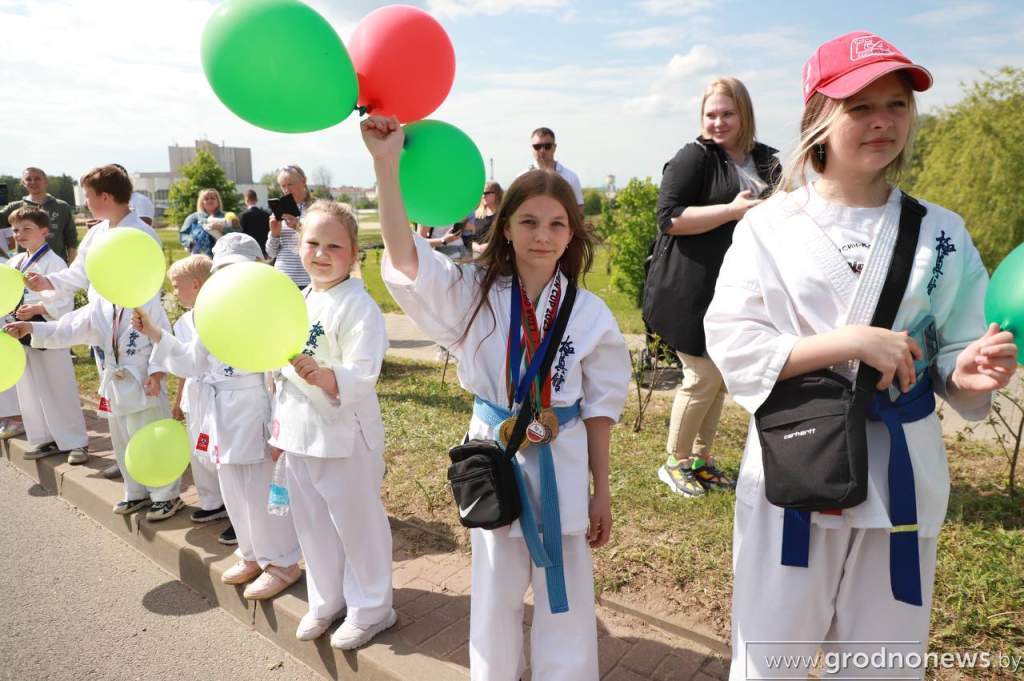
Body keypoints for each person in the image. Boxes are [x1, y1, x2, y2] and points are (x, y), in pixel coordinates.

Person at [704, 32, 1018, 680]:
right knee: (769, 660)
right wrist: (851, 342)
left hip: (901, 475)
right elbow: (734, 342)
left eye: (897, 104)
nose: (883, 121)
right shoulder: (768, 226)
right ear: (819, 116)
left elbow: (956, 345)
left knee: (885, 664)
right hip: (797, 467)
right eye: (860, 106)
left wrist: (966, 372)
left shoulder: (941, 231)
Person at [364, 115, 631, 681]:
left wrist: (602, 490)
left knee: (566, 596)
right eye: (528, 221)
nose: (542, 235)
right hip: (496, 459)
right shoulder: (475, 295)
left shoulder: (591, 314)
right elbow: (408, 262)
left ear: (572, 234)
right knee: (494, 593)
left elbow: (602, 409)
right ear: (504, 227)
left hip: (562, 460)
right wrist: (386, 166)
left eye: (556, 224)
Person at [135, 232, 302, 598]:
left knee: (259, 487)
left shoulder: (267, 313)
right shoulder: (213, 312)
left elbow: (278, 374)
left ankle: (282, 561)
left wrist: (280, 424)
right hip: (220, 410)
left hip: (254, 408)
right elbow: (192, 362)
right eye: (223, 271)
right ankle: (251, 552)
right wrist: (156, 334)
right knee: (233, 487)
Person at [645, 77, 781, 499]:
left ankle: (700, 461)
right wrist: (731, 211)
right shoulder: (694, 157)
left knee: (718, 375)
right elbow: (668, 219)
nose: (718, 122)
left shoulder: (767, 160)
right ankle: (674, 462)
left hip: (735, 288)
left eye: (727, 114)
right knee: (701, 374)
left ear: (744, 114)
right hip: (686, 288)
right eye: (711, 114)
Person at [266, 200, 395, 648]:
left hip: (344, 435)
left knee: (357, 524)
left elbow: (364, 370)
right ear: (298, 246)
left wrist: (327, 376)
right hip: (299, 432)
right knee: (312, 523)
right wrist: (277, 426)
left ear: (354, 253)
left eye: (334, 246)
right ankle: (327, 599)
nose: (321, 254)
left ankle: (373, 607)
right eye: (312, 243)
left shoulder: (359, 305)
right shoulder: (299, 299)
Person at [5, 248, 183, 522]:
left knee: (150, 438)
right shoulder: (101, 304)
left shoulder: (146, 300)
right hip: (114, 381)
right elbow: (68, 327)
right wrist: (32, 329)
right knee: (122, 440)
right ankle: (135, 490)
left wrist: (157, 374)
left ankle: (166, 495)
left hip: (144, 380)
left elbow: (162, 338)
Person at [24, 164, 163, 480]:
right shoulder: (97, 232)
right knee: (115, 402)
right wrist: (48, 282)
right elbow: (79, 273)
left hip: (134, 329)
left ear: (105, 197)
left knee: (143, 406)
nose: (85, 202)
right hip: (102, 323)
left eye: (88, 196)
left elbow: (149, 287)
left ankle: (155, 475)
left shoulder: (141, 234)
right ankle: (128, 466)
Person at [3, 207, 90, 464]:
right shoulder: (14, 262)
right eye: (16, 230)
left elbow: (64, 301)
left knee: (58, 386)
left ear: (44, 231)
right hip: (20, 329)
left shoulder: (55, 262)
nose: (20, 234)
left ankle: (76, 442)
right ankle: (44, 438)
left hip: (49, 330)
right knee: (31, 388)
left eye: (27, 229)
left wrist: (38, 308)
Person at [163, 254, 233, 544]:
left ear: (196, 284)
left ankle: (235, 510)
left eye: (176, 286)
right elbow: (184, 363)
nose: (174, 292)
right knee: (198, 449)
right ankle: (211, 500)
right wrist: (178, 399)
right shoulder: (182, 322)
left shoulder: (220, 315)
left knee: (220, 452)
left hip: (218, 392)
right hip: (195, 393)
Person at [0, 167, 78, 263]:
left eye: (37, 178)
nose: (33, 182)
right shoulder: (15, 207)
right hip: (26, 265)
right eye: (28, 179)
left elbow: (71, 237)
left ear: (45, 181)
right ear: (23, 183)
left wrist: (72, 261)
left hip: (56, 264)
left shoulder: (61, 206)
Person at [267, 165, 312, 288]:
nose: (286, 190)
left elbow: (324, 239)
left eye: (290, 184)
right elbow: (271, 253)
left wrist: (299, 227)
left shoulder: (318, 208)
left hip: (309, 280)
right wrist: (274, 234)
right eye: (283, 186)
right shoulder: (279, 210)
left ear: (304, 181)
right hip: (282, 278)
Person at [521, 127, 584, 212]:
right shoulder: (521, 178)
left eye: (547, 146)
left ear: (554, 147)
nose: (542, 150)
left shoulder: (570, 178)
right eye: (537, 146)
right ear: (532, 148)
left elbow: (579, 209)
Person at [179, 188, 225, 257]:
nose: (210, 200)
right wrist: (190, 242)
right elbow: (183, 234)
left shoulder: (226, 216)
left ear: (218, 201)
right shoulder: (193, 218)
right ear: (201, 203)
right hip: (199, 256)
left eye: (212, 198)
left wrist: (222, 228)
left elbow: (237, 231)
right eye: (206, 199)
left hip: (222, 255)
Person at [469, 181, 504, 254]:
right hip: (478, 256)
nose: (483, 196)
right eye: (482, 193)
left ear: (497, 194)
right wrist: (478, 248)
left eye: (486, 193)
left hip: (498, 256)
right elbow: (468, 238)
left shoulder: (504, 215)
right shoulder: (476, 215)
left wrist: (491, 246)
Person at [239, 189, 271, 257]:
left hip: (249, 250)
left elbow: (241, 233)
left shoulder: (243, 215)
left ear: (246, 200)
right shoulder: (266, 215)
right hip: (264, 250)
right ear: (256, 199)